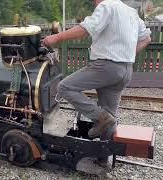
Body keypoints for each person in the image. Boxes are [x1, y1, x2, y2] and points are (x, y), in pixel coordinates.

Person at [42, 0, 151, 166]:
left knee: (64, 86)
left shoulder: (107, 6)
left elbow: (86, 28)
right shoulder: (131, 12)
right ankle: (102, 159)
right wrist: (129, 54)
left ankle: (101, 117)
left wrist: (55, 37)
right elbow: (147, 38)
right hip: (126, 70)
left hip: (106, 66)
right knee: (110, 115)